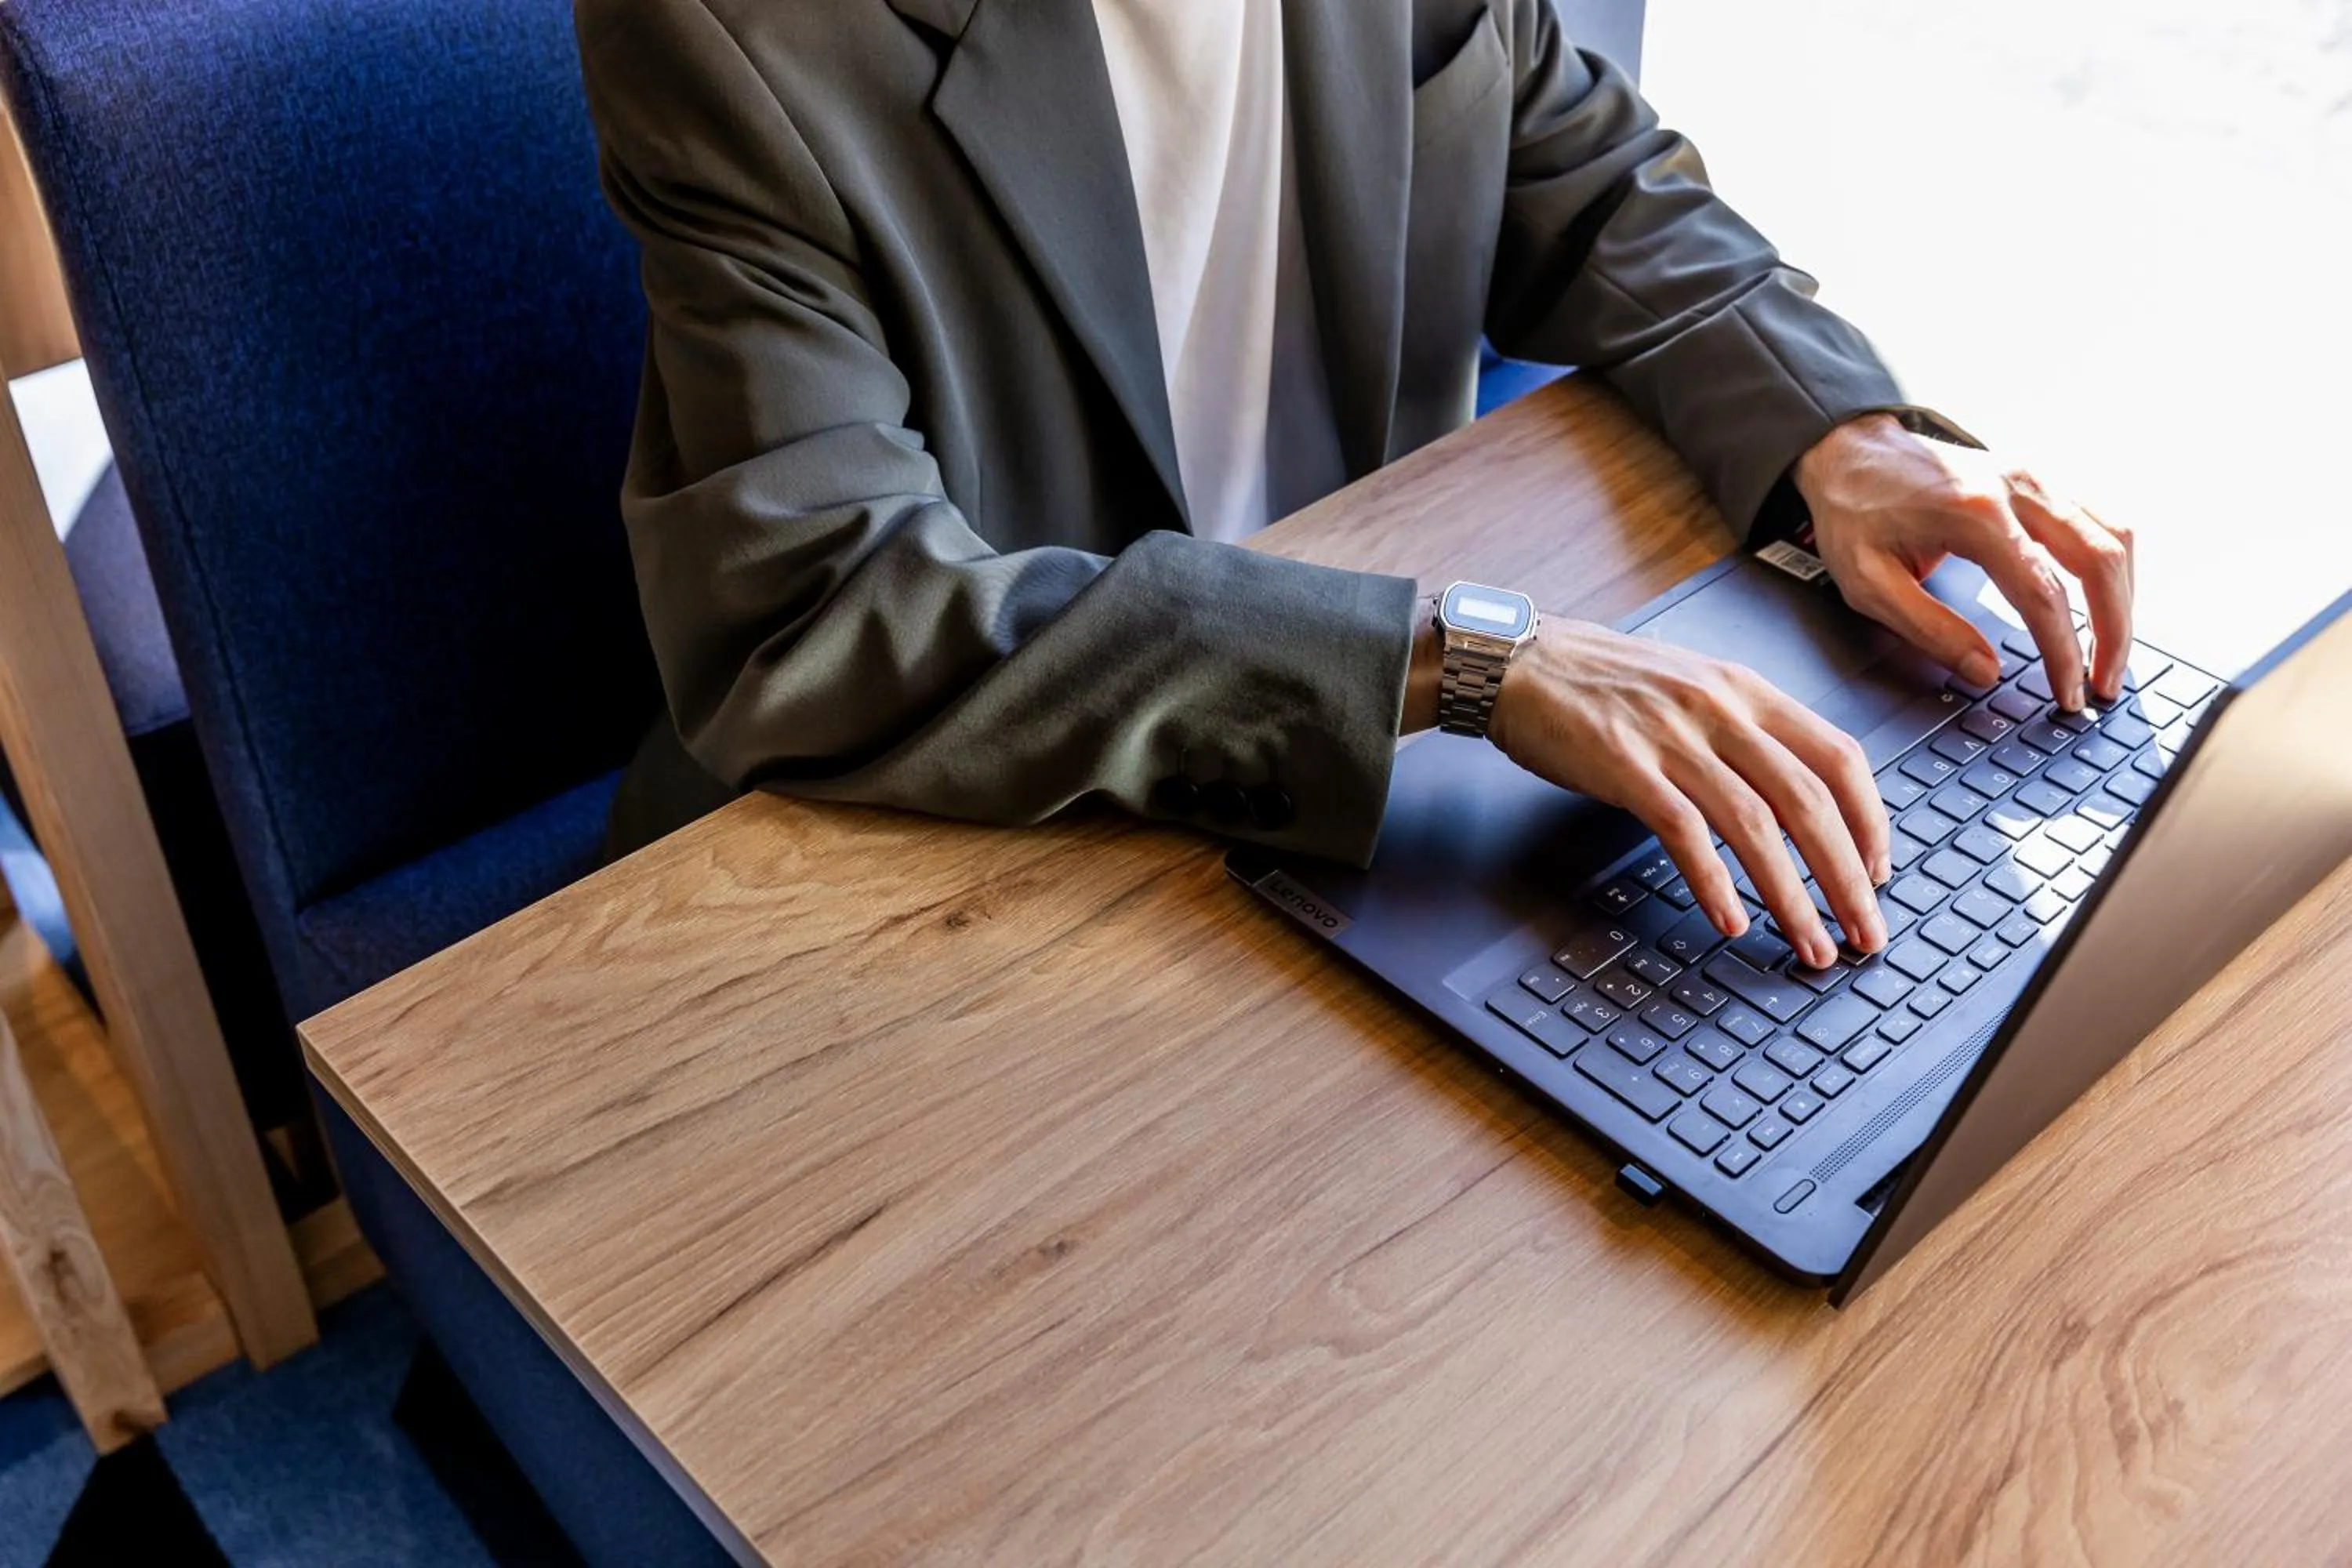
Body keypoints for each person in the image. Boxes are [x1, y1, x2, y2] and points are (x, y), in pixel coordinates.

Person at [574, 0, 2134, 975]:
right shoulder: (727, 30)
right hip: (951, 847)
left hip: (1360, 804)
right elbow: (822, 606)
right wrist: (1459, 658)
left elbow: (1588, 184)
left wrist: (1841, 433)